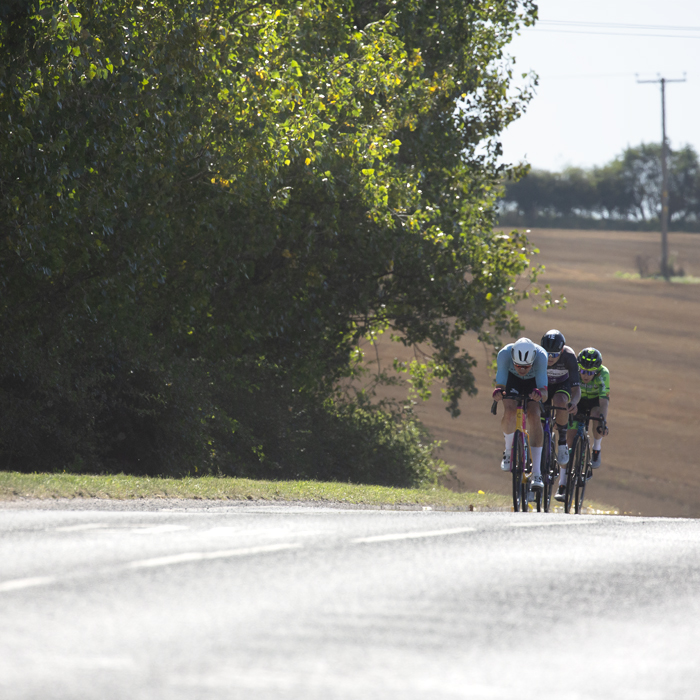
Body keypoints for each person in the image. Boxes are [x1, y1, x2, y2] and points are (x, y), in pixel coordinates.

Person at [492, 337, 549, 490]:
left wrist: (539, 394)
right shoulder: (504, 354)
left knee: (534, 414)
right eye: (518, 365)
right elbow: (501, 385)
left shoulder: (541, 356)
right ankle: (508, 450)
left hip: (533, 383)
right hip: (512, 381)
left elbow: (544, 392)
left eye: (526, 366)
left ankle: (536, 472)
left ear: (533, 359)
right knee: (509, 411)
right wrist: (498, 393)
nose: (522, 370)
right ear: (512, 357)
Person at [554, 347, 610, 502]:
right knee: (569, 442)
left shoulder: (603, 374)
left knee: (597, 416)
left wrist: (602, 422)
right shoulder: (574, 372)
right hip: (577, 401)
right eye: (583, 371)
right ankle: (563, 484)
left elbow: (604, 401)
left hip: (594, 403)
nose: (586, 375)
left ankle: (596, 448)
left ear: (597, 371)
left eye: (591, 372)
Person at [540, 329, 581, 466]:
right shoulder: (538, 355)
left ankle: (562, 442)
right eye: (547, 353)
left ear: (562, 351)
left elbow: (576, 388)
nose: (550, 358)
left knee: (560, 401)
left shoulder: (569, 356)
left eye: (554, 354)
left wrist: (574, 402)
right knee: (539, 419)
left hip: (561, 384)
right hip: (543, 385)